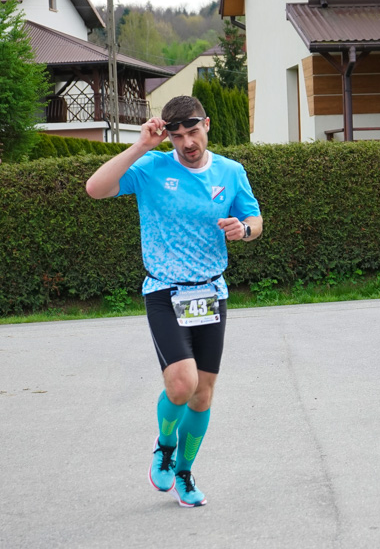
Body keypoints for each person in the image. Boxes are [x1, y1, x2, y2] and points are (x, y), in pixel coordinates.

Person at [85, 96, 262, 508]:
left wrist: (244, 231)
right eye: (177, 135)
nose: (186, 143)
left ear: (208, 125)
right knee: (182, 384)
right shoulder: (151, 168)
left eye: (193, 131)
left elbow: (255, 220)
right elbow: (95, 189)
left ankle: (184, 471)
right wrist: (141, 145)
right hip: (166, 290)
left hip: (210, 292)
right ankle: (164, 447)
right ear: (168, 134)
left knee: (202, 395)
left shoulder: (231, 172)